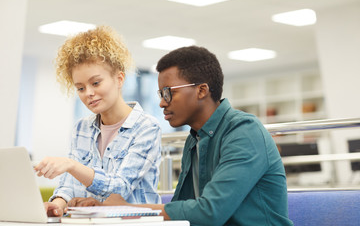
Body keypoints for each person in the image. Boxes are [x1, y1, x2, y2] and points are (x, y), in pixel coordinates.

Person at [68, 46, 293, 225]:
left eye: (168, 93)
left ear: (201, 90)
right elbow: (183, 209)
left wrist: (125, 208)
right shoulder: (196, 139)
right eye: (160, 93)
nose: (161, 102)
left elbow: (209, 212)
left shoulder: (244, 131)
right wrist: (103, 207)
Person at [34, 26, 162, 217]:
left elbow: (120, 188)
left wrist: (72, 165)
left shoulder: (147, 127)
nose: (89, 94)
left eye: (95, 83)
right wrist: (58, 204)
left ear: (119, 79)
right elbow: (69, 186)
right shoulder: (82, 128)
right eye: (80, 88)